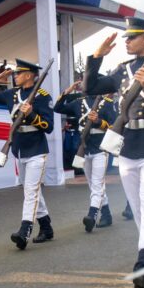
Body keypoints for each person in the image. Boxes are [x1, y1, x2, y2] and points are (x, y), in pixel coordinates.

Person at [84, 18, 144, 288]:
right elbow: (90, 88)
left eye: (132, 37)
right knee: (139, 210)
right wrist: (96, 57)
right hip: (128, 146)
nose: (126, 41)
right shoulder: (123, 69)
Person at [0, 59, 57, 249]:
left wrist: (31, 114)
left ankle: (25, 231)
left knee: (31, 191)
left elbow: (49, 127)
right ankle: (46, 227)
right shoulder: (11, 94)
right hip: (19, 148)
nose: (15, 76)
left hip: (37, 150)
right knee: (30, 190)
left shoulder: (42, 96)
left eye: (19, 73)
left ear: (30, 75)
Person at [54, 80, 117, 231]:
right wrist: (67, 91)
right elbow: (58, 108)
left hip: (101, 148)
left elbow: (114, 125)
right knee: (94, 185)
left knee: (97, 183)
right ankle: (106, 214)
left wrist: (99, 121)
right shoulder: (78, 103)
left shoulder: (107, 103)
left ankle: (92, 214)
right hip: (84, 147)